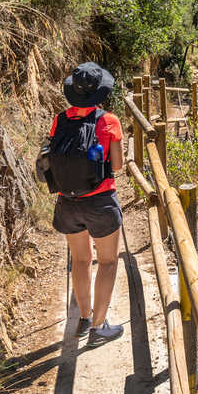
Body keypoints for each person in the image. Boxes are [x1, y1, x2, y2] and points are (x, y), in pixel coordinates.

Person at [46, 62, 126, 345]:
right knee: (107, 262)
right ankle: (99, 326)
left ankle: (83, 317)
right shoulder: (109, 121)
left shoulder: (60, 120)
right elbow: (116, 164)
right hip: (100, 202)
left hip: (67, 202)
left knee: (80, 261)